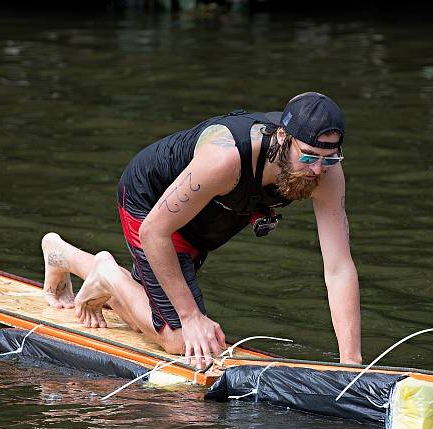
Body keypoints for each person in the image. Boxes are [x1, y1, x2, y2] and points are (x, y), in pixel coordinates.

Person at [41, 92, 361, 369]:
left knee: (148, 320)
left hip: (204, 221)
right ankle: (107, 271)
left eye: (329, 159)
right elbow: (154, 232)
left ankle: (60, 254)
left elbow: (338, 268)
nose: (317, 169)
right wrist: (191, 317)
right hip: (151, 204)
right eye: (308, 156)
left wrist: (351, 364)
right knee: (180, 338)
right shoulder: (226, 158)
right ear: (281, 138)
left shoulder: (326, 174)